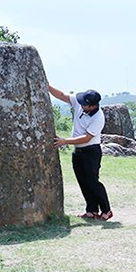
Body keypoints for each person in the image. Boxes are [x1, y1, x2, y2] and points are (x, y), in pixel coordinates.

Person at [49, 85, 113, 221]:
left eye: (85, 105)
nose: (81, 105)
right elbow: (62, 95)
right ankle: (91, 210)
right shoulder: (80, 103)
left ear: (92, 106)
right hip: (78, 151)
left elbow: (87, 137)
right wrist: (47, 86)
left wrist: (65, 141)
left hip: (91, 152)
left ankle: (106, 210)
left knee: (93, 182)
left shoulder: (98, 118)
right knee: (83, 181)